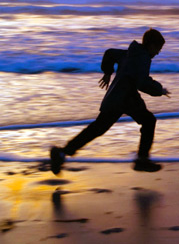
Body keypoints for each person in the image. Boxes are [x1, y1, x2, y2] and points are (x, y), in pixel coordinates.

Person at [50, 28, 170, 174]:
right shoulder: (143, 57)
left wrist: (108, 72)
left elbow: (109, 53)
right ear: (151, 45)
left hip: (117, 97)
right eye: (158, 48)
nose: (158, 52)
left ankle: (62, 153)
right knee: (148, 121)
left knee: (97, 128)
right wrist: (159, 89)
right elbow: (142, 82)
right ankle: (142, 160)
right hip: (126, 98)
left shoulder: (129, 53)